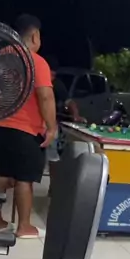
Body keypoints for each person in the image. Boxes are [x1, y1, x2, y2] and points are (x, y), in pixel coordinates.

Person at [0, 14, 56, 238]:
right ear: (34, 36)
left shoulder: (0, 57)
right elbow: (45, 96)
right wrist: (51, 127)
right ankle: (24, 226)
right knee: (24, 178)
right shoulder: (36, 61)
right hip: (26, 130)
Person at [45, 57, 82, 189]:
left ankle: (53, 187)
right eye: (50, 73)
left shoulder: (57, 85)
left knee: (53, 157)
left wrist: (75, 115)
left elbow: (69, 102)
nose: (52, 77)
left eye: (53, 74)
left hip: (50, 124)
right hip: (32, 124)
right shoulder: (35, 81)